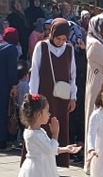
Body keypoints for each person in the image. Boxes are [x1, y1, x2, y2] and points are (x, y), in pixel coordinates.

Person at [29, 18, 78, 167]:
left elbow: (72, 74)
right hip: (44, 94)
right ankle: (40, 161)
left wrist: (73, 97)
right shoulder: (41, 46)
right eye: (58, 38)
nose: (60, 41)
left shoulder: (69, 49)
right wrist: (33, 96)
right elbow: (35, 72)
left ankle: (57, 161)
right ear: (52, 33)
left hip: (61, 96)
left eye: (64, 39)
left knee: (59, 123)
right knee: (41, 123)